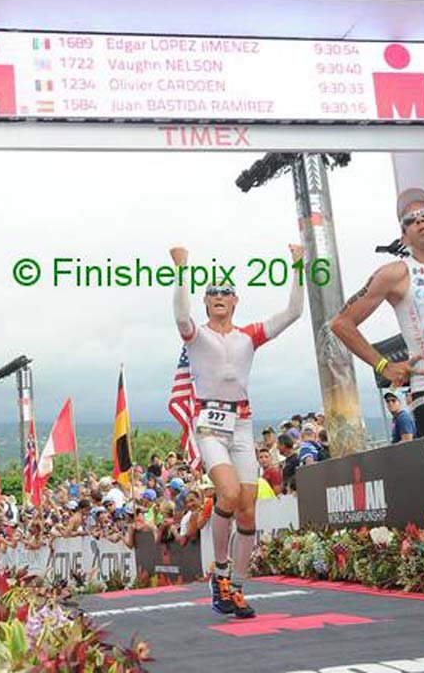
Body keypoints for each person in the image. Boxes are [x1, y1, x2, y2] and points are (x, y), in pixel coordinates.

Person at [170, 243, 304, 618]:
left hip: (242, 424)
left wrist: (298, 267)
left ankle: (239, 588)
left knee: (247, 513)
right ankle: (221, 574)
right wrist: (181, 268)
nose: (218, 296)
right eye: (211, 292)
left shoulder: (249, 335)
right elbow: (180, 315)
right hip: (209, 425)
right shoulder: (197, 336)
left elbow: (293, 312)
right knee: (227, 493)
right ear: (205, 301)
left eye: (225, 292)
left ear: (235, 300)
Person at [331, 188, 424, 459]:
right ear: (404, 236)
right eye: (409, 219)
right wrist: (383, 366)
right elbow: (341, 323)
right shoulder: (396, 273)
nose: (420, 219)